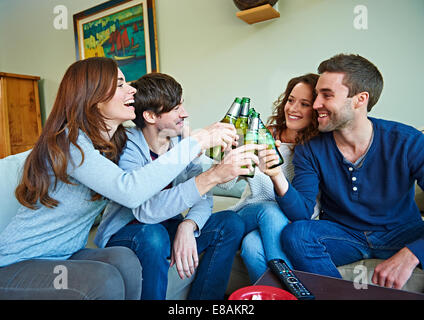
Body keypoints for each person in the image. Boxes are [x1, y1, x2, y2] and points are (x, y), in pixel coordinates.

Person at [0, 57, 237, 300]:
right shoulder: (70, 143)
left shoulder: (113, 145)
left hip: (64, 254)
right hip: (17, 262)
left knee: (124, 261)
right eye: (121, 84)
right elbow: (130, 191)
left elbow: (178, 165)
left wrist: (215, 159)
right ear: (93, 96)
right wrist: (196, 141)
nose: (132, 89)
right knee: (105, 279)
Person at [94, 72, 261, 300]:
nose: (185, 113)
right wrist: (212, 175)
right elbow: (146, 211)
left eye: (182, 104)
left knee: (229, 223)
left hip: (167, 225)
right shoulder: (126, 147)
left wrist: (188, 226)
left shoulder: (181, 142)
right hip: (131, 230)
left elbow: (203, 194)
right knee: (154, 236)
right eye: (175, 108)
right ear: (151, 116)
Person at [269, 53, 424, 290]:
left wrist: (413, 253)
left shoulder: (407, 141)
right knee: (297, 234)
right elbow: (301, 213)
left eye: (326, 95)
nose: (316, 103)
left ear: (360, 99)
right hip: (344, 235)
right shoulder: (310, 149)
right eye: (317, 94)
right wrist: (275, 174)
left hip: (402, 232)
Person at [216, 73, 321, 282]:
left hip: (291, 223)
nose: (293, 109)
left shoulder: (317, 149)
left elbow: (309, 205)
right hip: (250, 213)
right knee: (270, 210)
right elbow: (226, 186)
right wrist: (229, 153)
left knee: (252, 247)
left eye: (304, 104)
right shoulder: (260, 135)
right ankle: (293, 290)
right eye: (290, 100)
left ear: (317, 109)